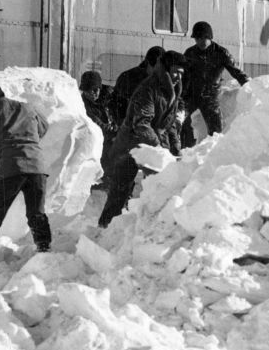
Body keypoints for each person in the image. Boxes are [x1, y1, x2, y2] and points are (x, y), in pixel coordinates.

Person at [98, 50, 187, 228]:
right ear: (166, 69)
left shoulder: (173, 90)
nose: (178, 76)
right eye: (176, 71)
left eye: (181, 73)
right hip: (129, 146)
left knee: (162, 187)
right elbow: (141, 123)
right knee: (119, 193)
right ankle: (104, 230)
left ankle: (156, 229)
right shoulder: (149, 89)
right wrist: (159, 149)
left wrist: (175, 149)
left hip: (150, 145)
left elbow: (169, 124)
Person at [0, 79, 51, 253]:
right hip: (37, 167)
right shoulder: (28, 108)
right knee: (37, 213)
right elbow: (43, 127)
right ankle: (44, 247)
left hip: (11, 168)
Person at [182, 20, 248, 144]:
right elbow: (183, 76)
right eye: (197, 38)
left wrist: (249, 86)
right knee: (183, 124)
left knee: (216, 131)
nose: (200, 41)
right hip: (191, 96)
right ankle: (185, 152)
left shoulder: (221, 53)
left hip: (210, 97)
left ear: (210, 38)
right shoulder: (190, 53)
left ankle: (212, 155)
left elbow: (236, 72)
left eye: (203, 38)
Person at [109, 45, 164, 124]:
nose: (157, 72)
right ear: (147, 63)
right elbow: (115, 103)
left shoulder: (160, 79)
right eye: (155, 68)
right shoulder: (128, 78)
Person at [78, 70, 116, 141]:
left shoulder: (112, 95)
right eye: (88, 91)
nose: (92, 94)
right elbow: (96, 124)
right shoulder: (82, 105)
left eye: (95, 90)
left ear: (100, 88)